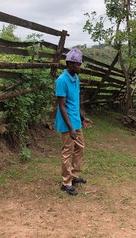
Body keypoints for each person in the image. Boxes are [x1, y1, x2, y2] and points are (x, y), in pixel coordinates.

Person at [55, 48, 92, 196]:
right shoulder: (61, 81)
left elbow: (74, 103)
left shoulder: (75, 78)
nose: (80, 67)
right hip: (67, 123)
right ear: (70, 64)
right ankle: (66, 182)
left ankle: (74, 175)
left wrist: (82, 117)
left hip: (76, 121)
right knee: (67, 151)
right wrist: (70, 128)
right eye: (78, 64)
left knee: (80, 147)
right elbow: (62, 106)